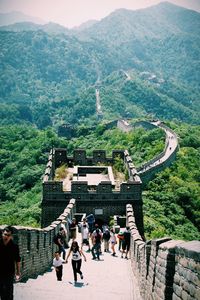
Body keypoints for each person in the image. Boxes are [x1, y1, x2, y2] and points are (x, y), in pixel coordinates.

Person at [0, 226, 21, 300]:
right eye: (5, 234)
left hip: (9, 272)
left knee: (8, 293)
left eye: (8, 235)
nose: (6, 236)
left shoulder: (14, 246)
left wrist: (18, 272)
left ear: (11, 236)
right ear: (2, 233)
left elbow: (17, 260)